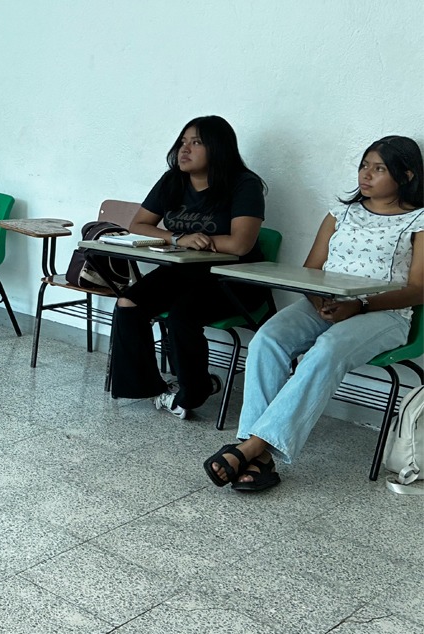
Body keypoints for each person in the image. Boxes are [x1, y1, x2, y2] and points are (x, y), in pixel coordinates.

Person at [204, 136, 424, 492]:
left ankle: (251, 447)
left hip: (386, 313)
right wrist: (318, 298)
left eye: (379, 168)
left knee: (325, 351)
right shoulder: (341, 212)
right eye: (364, 165)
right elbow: (312, 269)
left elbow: (418, 288)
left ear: (407, 175)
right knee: (267, 339)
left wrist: (361, 305)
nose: (366, 175)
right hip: (325, 303)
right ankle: (257, 457)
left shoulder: (419, 221)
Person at [108, 116, 268, 418]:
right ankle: (152, 388)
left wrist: (202, 240)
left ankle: (193, 392)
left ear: (218, 148)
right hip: (185, 271)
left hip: (235, 279)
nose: (185, 149)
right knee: (128, 302)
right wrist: (179, 238)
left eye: (196, 143)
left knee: (183, 314)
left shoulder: (244, 184)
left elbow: (241, 245)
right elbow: (139, 224)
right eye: (183, 142)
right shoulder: (173, 181)